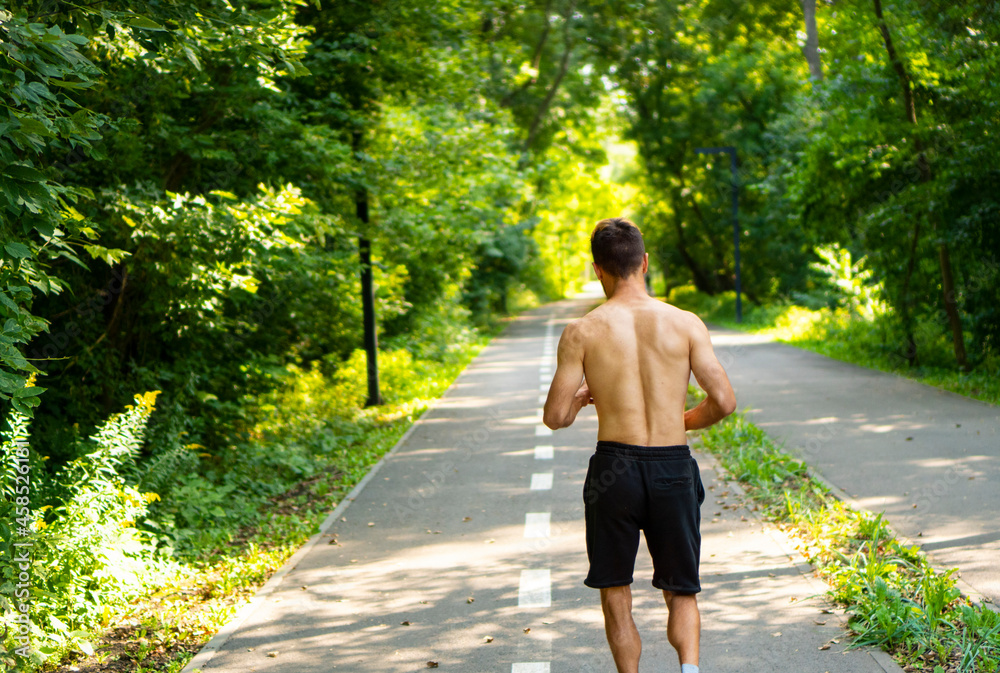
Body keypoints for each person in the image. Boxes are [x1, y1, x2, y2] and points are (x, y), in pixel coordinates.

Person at [542, 217, 736, 673]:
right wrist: (679, 422)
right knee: (681, 589)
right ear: (644, 262)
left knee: (616, 589)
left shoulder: (582, 332)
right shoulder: (685, 323)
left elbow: (555, 417)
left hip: (615, 471)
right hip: (672, 468)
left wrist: (581, 398)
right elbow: (724, 401)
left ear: (598, 270)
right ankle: (688, 669)